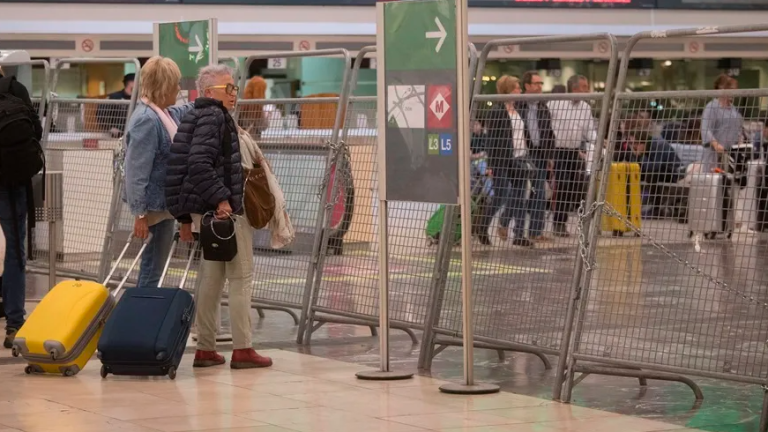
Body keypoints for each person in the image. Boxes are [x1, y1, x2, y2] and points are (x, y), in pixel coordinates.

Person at [166, 64, 272, 369]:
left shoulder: (194, 116)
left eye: (234, 88)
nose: (233, 94)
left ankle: (206, 347)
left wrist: (186, 217)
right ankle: (243, 348)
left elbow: (182, 168)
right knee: (241, 277)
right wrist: (223, 199)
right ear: (208, 92)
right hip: (225, 211)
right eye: (228, 88)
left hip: (204, 212)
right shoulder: (215, 116)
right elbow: (199, 164)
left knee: (211, 277)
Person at [123, 57, 192, 288]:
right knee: (152, 269)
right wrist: (140, 214)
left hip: (161, 204)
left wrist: (207, 100)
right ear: (164, 86)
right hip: (152, 208)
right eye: (175, 83)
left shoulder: (161, 113)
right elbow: (136, 170)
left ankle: (144, 313)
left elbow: (183, 111)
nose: (179, 88)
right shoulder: (146, 120)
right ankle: (142, 316)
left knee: (154, 267)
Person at [0, 66, 43, 348]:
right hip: (12, 181)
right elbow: (36, 131)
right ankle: (15, 323)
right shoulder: (15, 89)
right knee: (15, 248)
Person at [483, 75, 533, 247]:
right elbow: (491, 139)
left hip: (519, 157)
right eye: (516, 88)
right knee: (502, 194)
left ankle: (519, 233)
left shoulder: (519, 109)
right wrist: (490, 164)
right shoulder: (497, 111)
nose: (519, 90)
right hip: (502, 159)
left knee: (520, 195)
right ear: (508, 90)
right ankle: (482, 226)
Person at [547, 75, 596, 237]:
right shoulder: (555, 103)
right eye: (584, 87)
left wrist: (598, 140)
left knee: (575, 186)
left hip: (574, 151)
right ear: (574, 89)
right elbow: (546, 126)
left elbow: (589, 131)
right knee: (563, 185)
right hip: (558, 151)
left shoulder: (586, 108)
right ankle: (558, 223)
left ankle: (566, 220)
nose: (587, 90)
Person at [518, 71, 556, 243]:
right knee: (521, 193)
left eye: (541, 83)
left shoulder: (542, 106)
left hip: (540, 154)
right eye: (536, 84)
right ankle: (517, 229)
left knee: (539, 192)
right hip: (523, 154)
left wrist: (550, 156)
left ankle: (535, 230)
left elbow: (548, 133)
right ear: (527, 86)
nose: (540, 87)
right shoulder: (519, 105)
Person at [701, 74, 744, 172]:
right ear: (722, 88)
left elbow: (738, 127)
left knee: (728, 181)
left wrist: (740, 140)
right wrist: (716, 144)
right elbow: (706, 128)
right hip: (714, 154)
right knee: (714, 181)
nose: (735, 92)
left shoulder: (733, 109)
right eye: (732, 89)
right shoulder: (711, 107)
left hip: (731, 155)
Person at [97, 73, 135, 138]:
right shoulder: (114, 97)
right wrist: (110, 128)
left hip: (133, 135)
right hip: (116, 135)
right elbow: (101, 113)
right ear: (129, 83)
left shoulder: (139, 98)